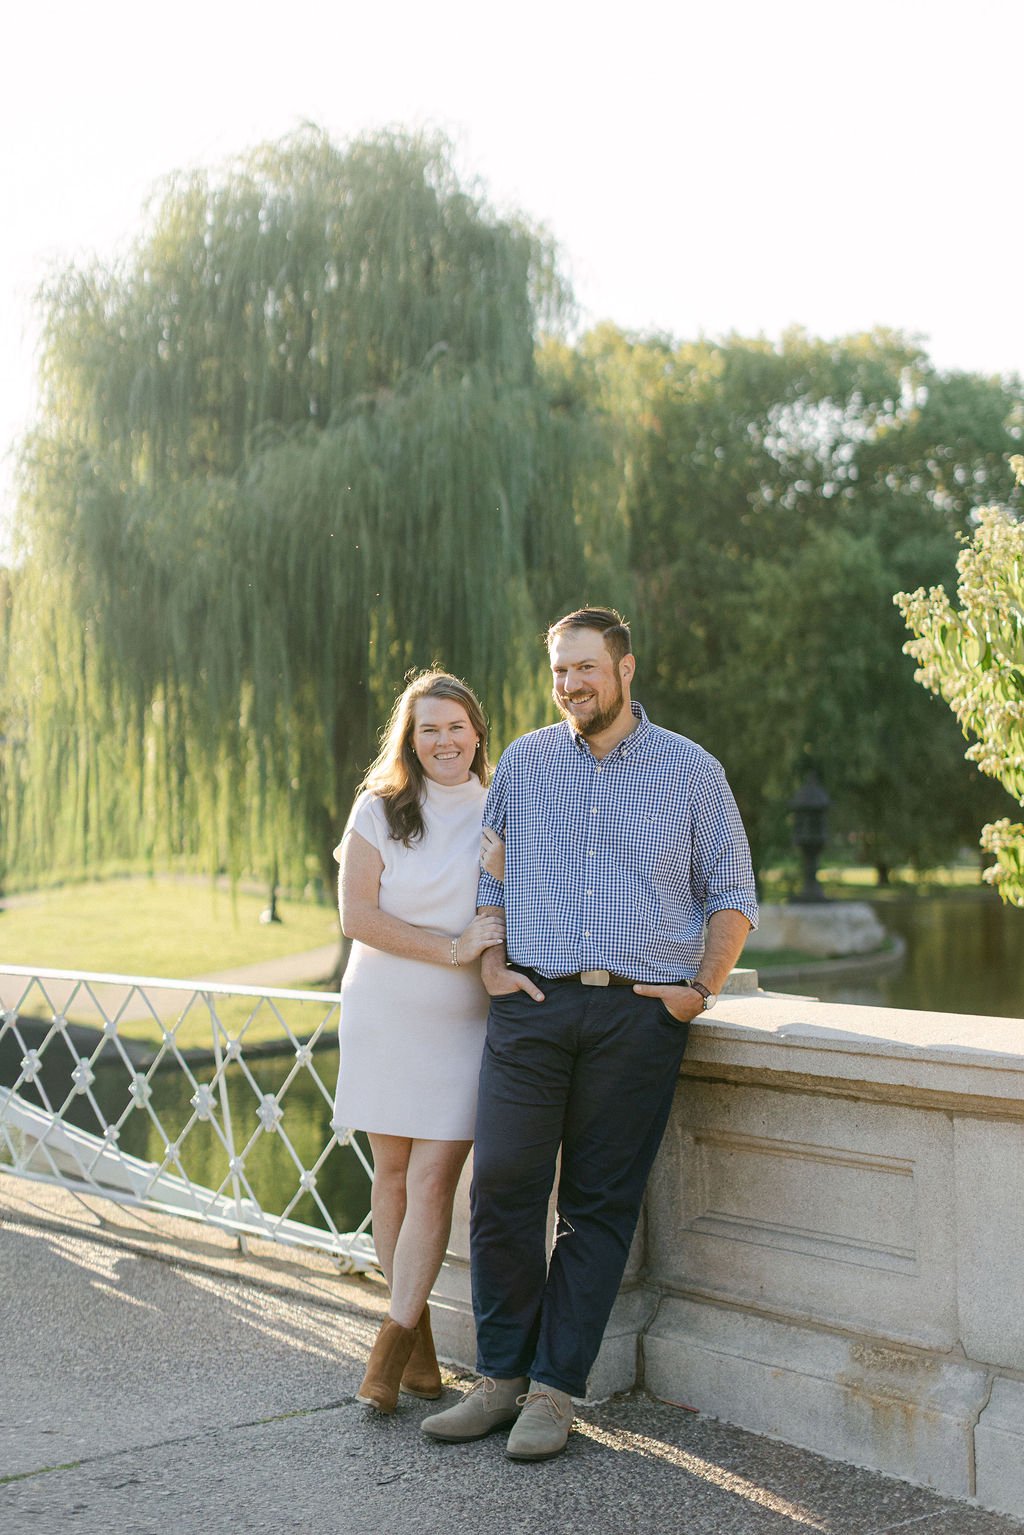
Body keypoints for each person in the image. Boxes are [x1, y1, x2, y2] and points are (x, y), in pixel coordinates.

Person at [422, 607, 758, 1461]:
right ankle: (499, 1377)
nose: (570, 684)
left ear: (625, 668)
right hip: (532, 1003)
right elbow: (491, 874)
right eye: (559, 671)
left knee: (597, 1206)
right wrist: (492, 963)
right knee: (502, 1182)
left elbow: (733, 892)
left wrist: (698, 991)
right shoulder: (526, 762)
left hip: (636, 1015)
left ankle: (552, 1390)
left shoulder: (692, 771)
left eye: (585, 668)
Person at [333, 670, 505, 1414]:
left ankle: (389, 1348)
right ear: (411, 739)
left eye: (456, 726)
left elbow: (520, 904)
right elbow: (358, 917)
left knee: (434, 1180)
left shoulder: (504, 807)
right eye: (428, 728)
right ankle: (421, 1350)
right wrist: (452, 947)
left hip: (463, 1021)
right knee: (394, 1175)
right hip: (383, 1011)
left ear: (477, 733)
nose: (444, 741)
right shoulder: (378, 809)